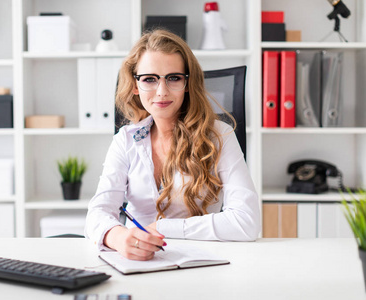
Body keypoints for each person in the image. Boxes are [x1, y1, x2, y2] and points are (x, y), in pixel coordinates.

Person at [85, 29, 261, 261]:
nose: (162, 92)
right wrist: (117, 237)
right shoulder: (126, 140)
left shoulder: (220, 135)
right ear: (135, 86)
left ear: (188, 83)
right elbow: (97, 213)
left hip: (202, 261)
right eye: (149, 79)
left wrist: (162, 228)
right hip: (139, 261)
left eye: (174, 78)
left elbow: (246, 222)